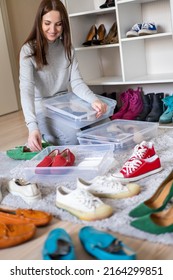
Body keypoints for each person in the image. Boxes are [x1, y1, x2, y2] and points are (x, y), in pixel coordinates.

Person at [19, 0, 109, 151]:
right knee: (74, 137)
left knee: (104, 123)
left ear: (64, 24)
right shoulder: (28, 51)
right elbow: (26, 90)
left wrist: (94, 100)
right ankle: (47, 137)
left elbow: (77, 82)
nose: (52, 29)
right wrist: (32, 127)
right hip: (43, 109)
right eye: (47, 23)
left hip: (65, 104)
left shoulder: (68, 49)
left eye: (58, 24)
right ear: (39, 22)